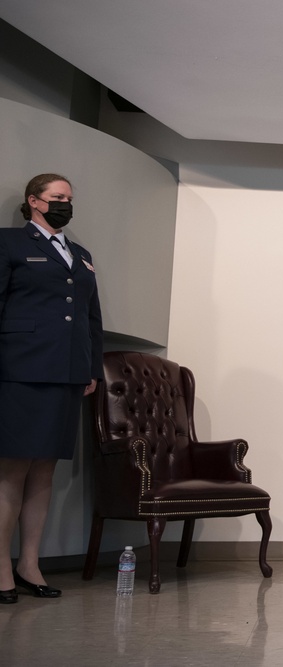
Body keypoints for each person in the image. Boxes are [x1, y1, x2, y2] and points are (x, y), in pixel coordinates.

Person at [0, 174, 103, 605]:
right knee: (11, 472)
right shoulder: (9, 243)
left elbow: (90, 317)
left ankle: (29, 564)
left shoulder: (80, 254)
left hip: (68, 372)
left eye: (69, 199)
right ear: (34, 201)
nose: (65, 204)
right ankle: (0, 568)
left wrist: (91, 366)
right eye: (57, 198)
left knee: (45, 473)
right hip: (21, 369)